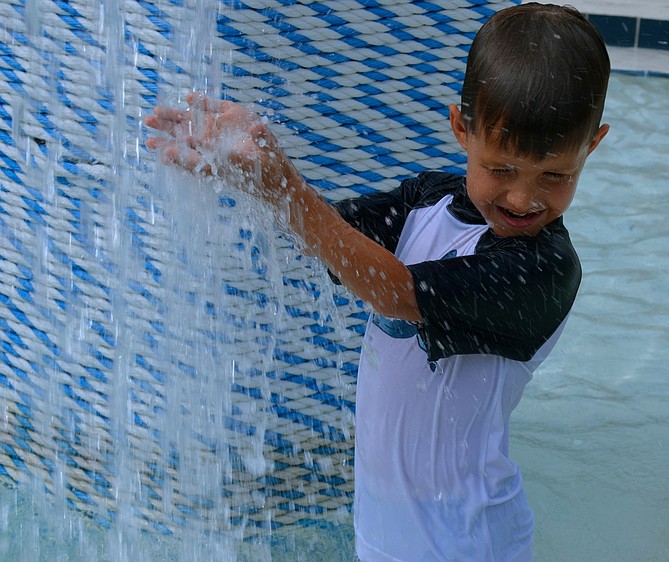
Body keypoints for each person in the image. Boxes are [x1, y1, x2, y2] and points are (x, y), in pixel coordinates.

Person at [144, 3, 610, 560]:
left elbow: (394, 291)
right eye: (501, 169)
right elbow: (332, 238)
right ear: (462, 129)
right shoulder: (428, 200)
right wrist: (243, 168)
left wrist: (284, 185)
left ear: (591, 146)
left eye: (555, 175)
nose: (522, 197)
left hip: (468, 542)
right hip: (383, 533)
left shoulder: (544, 270)